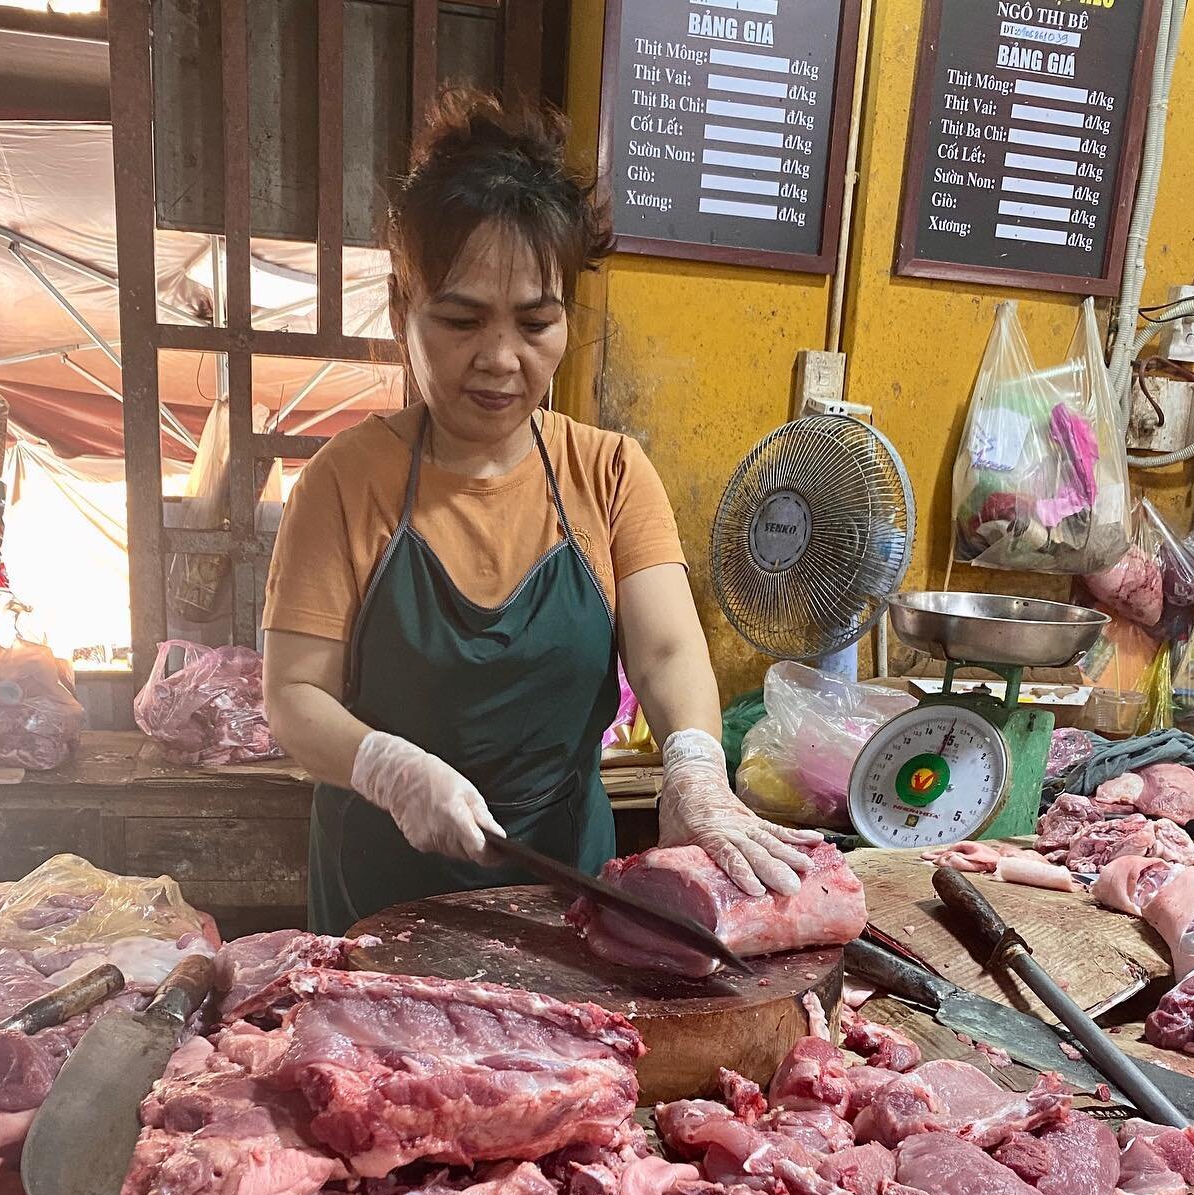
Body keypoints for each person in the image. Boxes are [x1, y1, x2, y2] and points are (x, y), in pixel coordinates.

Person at [263, 93, 813, 935]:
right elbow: (295, 697)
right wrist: (388, 768)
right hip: (381, 896)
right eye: (458, 317)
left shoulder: (611, 472)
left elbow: (667, 653)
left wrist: (696, 769)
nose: (499, 358)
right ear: (401, 302)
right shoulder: (344, 481)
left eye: (535, 322)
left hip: (563, 884)